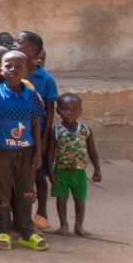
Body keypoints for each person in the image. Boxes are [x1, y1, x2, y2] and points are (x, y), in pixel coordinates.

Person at [0, 50, 48, 251]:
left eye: (18, 66)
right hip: (2, 150)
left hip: (27, 151)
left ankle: (27, 231)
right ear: (1, 69)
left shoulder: (33, 96)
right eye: (8, 66)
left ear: (26, 69)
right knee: (2, 192)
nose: (13, 70)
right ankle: (3, 230)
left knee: (26, 191)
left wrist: (38, 153)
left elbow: (35, 125)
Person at [14, 30, 58, 232]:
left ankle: (41, 213)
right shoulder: (13, 72)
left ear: (33, 50)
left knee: (39, 175)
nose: (14, 44)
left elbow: (50, 110)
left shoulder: (45, 79)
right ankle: (20, 217)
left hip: (37, 134)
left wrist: (45, 136)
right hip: (16, 133)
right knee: (19, 176)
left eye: (19, 42)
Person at [48, 93, 102, 237]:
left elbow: (92, 150)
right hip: (61, 171)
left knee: (80, 200)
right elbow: (51, 151)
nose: (69, 112)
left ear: (80, 111)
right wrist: (50, 171)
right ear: (58, 111)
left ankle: (79, 225)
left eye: (74, 109)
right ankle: (63, 225)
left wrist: (97, 169)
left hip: (79, 172)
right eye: (65, 109)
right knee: (61, 199)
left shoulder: (85, 130)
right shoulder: (56, 130)